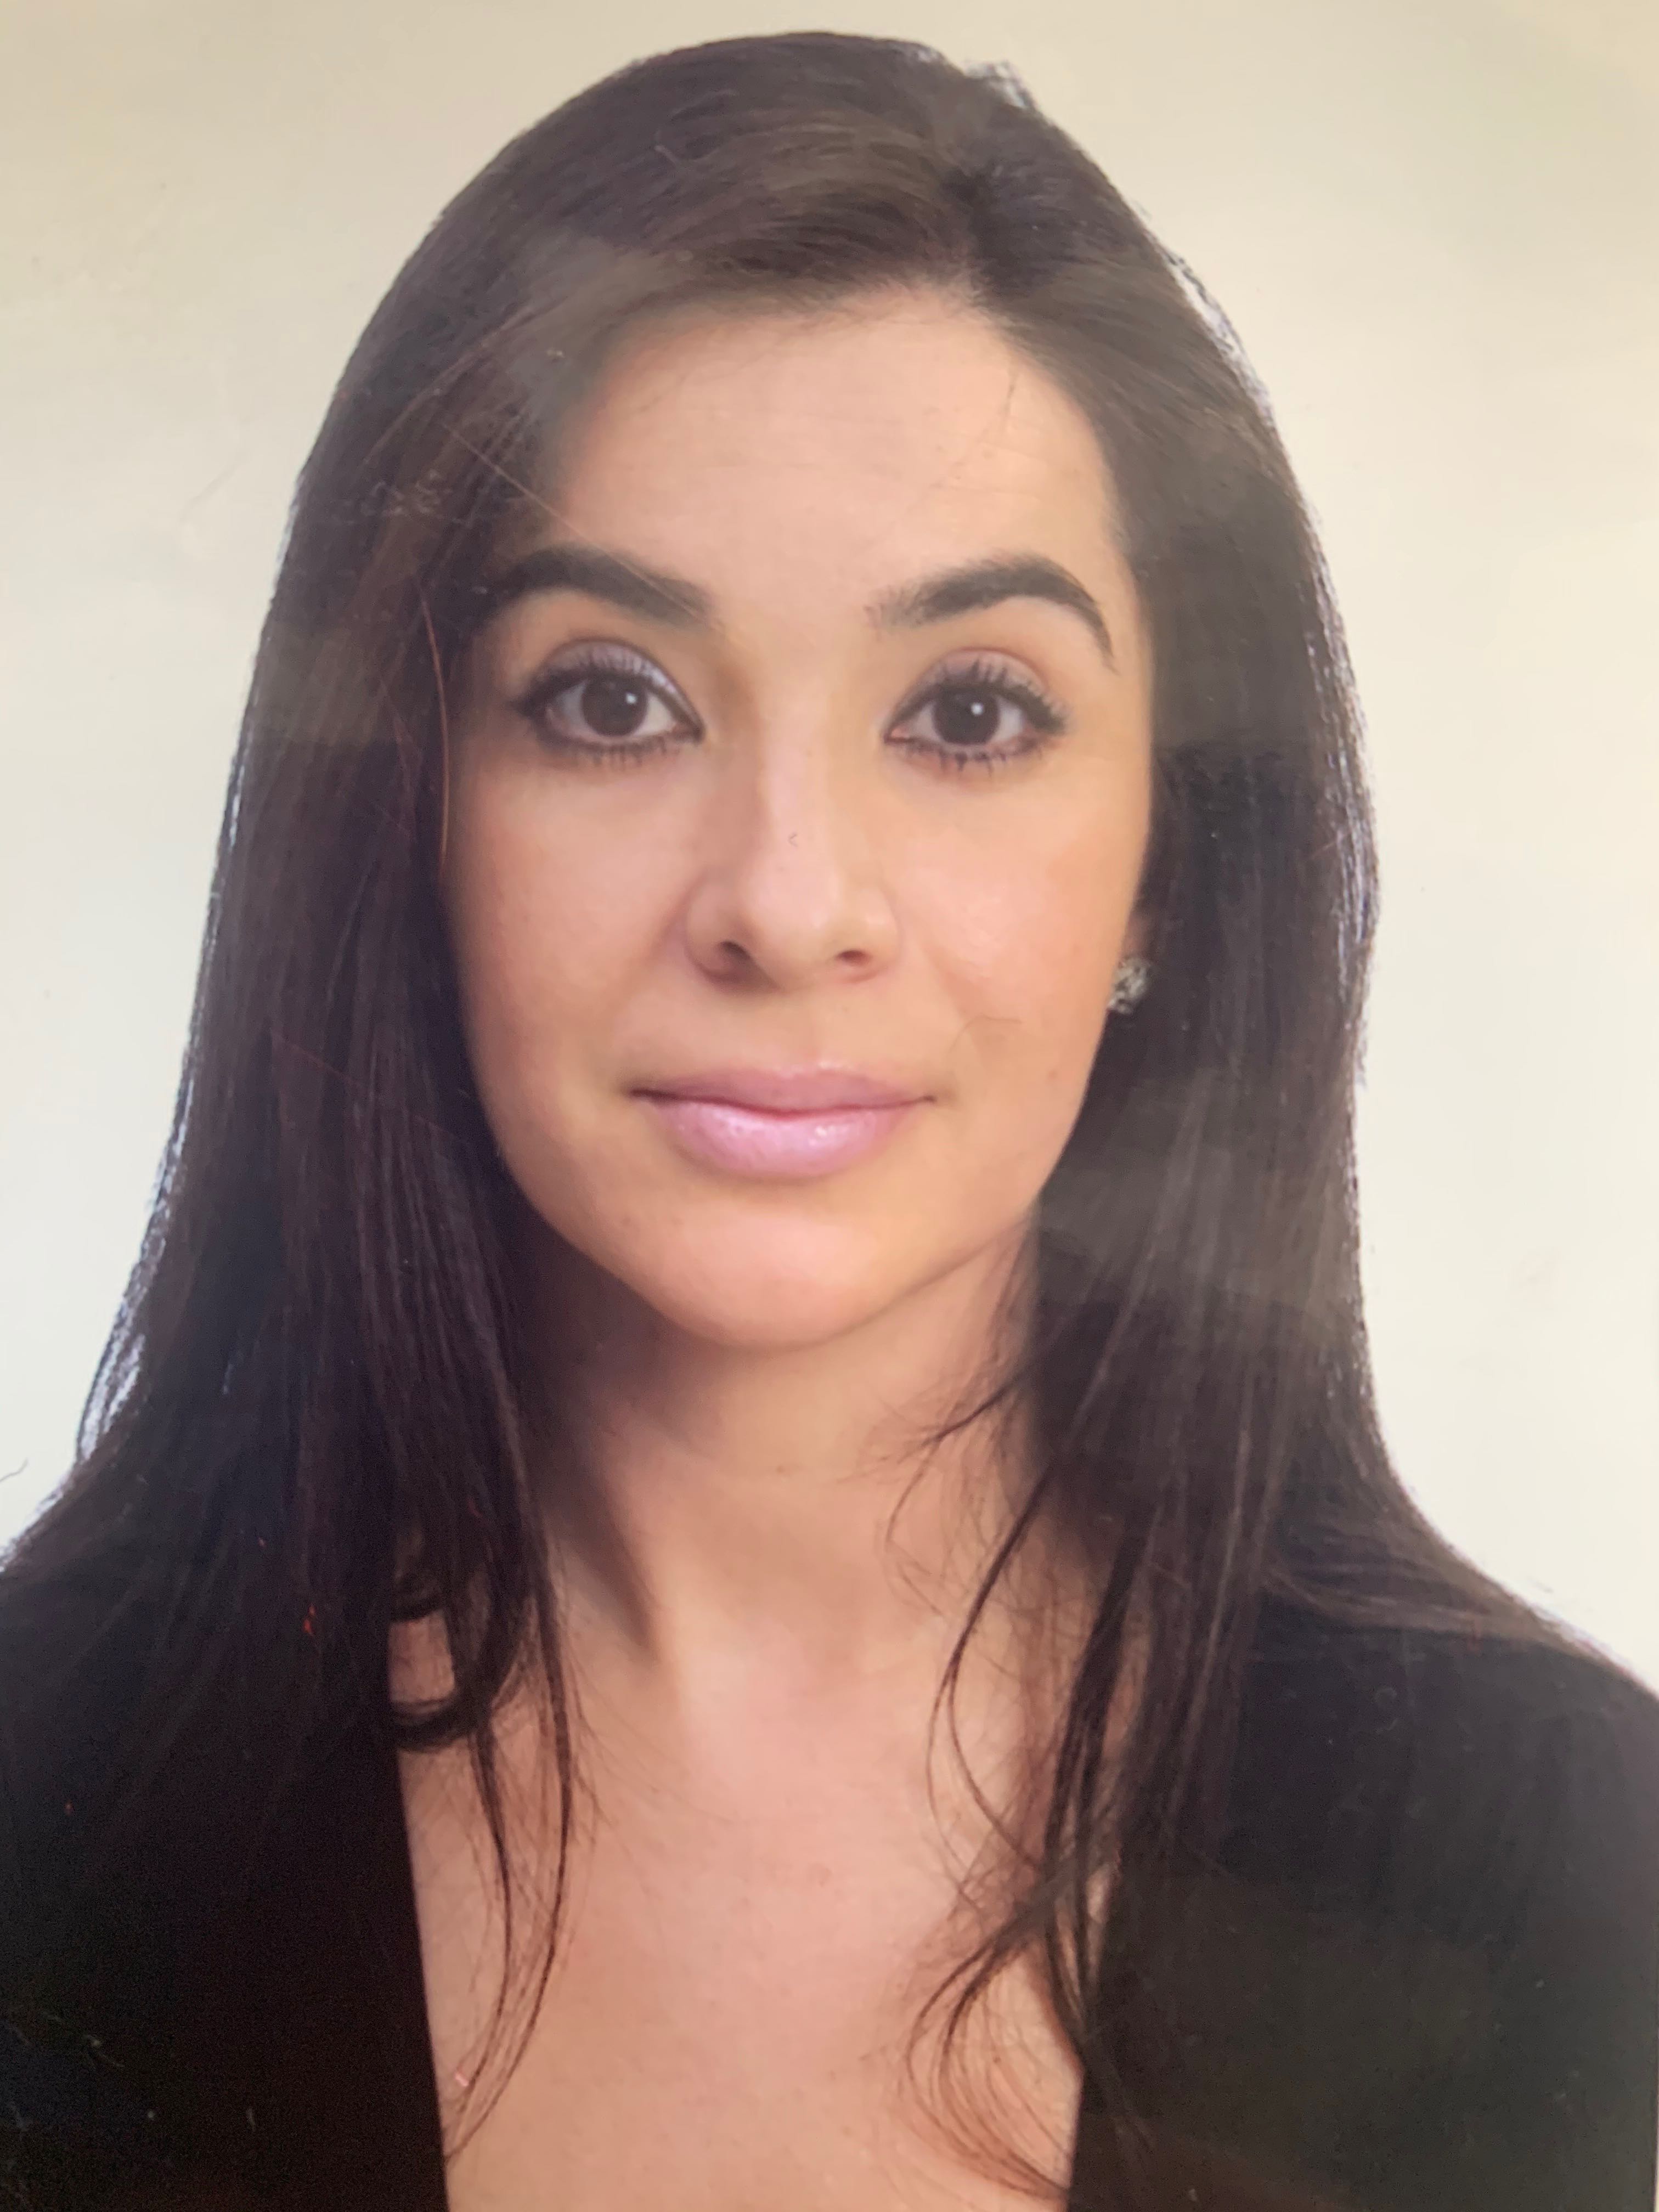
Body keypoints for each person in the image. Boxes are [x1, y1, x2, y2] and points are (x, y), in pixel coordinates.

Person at [2, 29, 1655, 2212]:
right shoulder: (42, 1807)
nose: (788, 905)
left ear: (1170, 864)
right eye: (612, 699)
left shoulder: (1559, 1866)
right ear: (407, 813)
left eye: (969, 713)